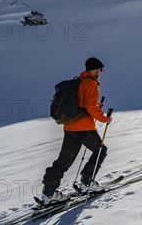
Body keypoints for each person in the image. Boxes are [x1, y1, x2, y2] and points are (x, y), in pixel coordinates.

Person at [40, 57, 113, 205]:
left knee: (64, 161)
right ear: (96, 69)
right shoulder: (91, 83)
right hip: (84, 128)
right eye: (101, 69)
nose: (101, 72)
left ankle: (49, 193)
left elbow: (83, 105)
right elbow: (90, 108)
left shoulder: (78, 82)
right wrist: (104, 119)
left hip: (70, 128)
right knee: (100, 150)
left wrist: (95, 107)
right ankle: (87, 182)